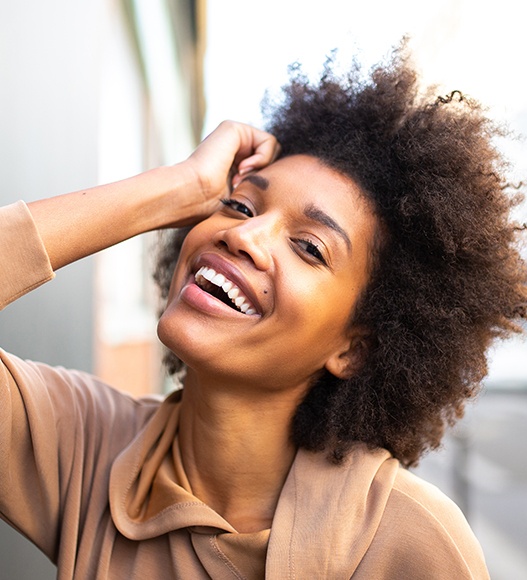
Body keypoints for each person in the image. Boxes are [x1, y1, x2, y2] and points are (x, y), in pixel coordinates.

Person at [1, 46, 525, 579]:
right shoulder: (82, 443)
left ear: (352, 349)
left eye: (309, 247)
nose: (242, 235)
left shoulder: (409, 545)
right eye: (240, 205)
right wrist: (173, 189)